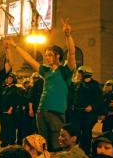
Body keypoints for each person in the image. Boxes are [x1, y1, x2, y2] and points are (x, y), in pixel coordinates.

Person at [9, 19, 76, 150]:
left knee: (57, 145)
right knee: (43, 144)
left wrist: (68, 35)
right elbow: (29, 59)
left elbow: (72, 53)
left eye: (50, 55)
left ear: (58, 56)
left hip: (56, 113)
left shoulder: (65, 71)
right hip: (41, 111)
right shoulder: (46, 71)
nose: (47, 57)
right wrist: (15, 46)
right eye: (46, 55)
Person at [71, 65, 103, 154]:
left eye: (80, 73)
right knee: (76, 133)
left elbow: (100, 99)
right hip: (77, 113)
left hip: (89, 114)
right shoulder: (78, 84)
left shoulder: (95, 85)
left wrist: (92, 106)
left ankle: (86, 152)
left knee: (86, 133)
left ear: (85, 74)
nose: (78, 75)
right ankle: (77, 151)